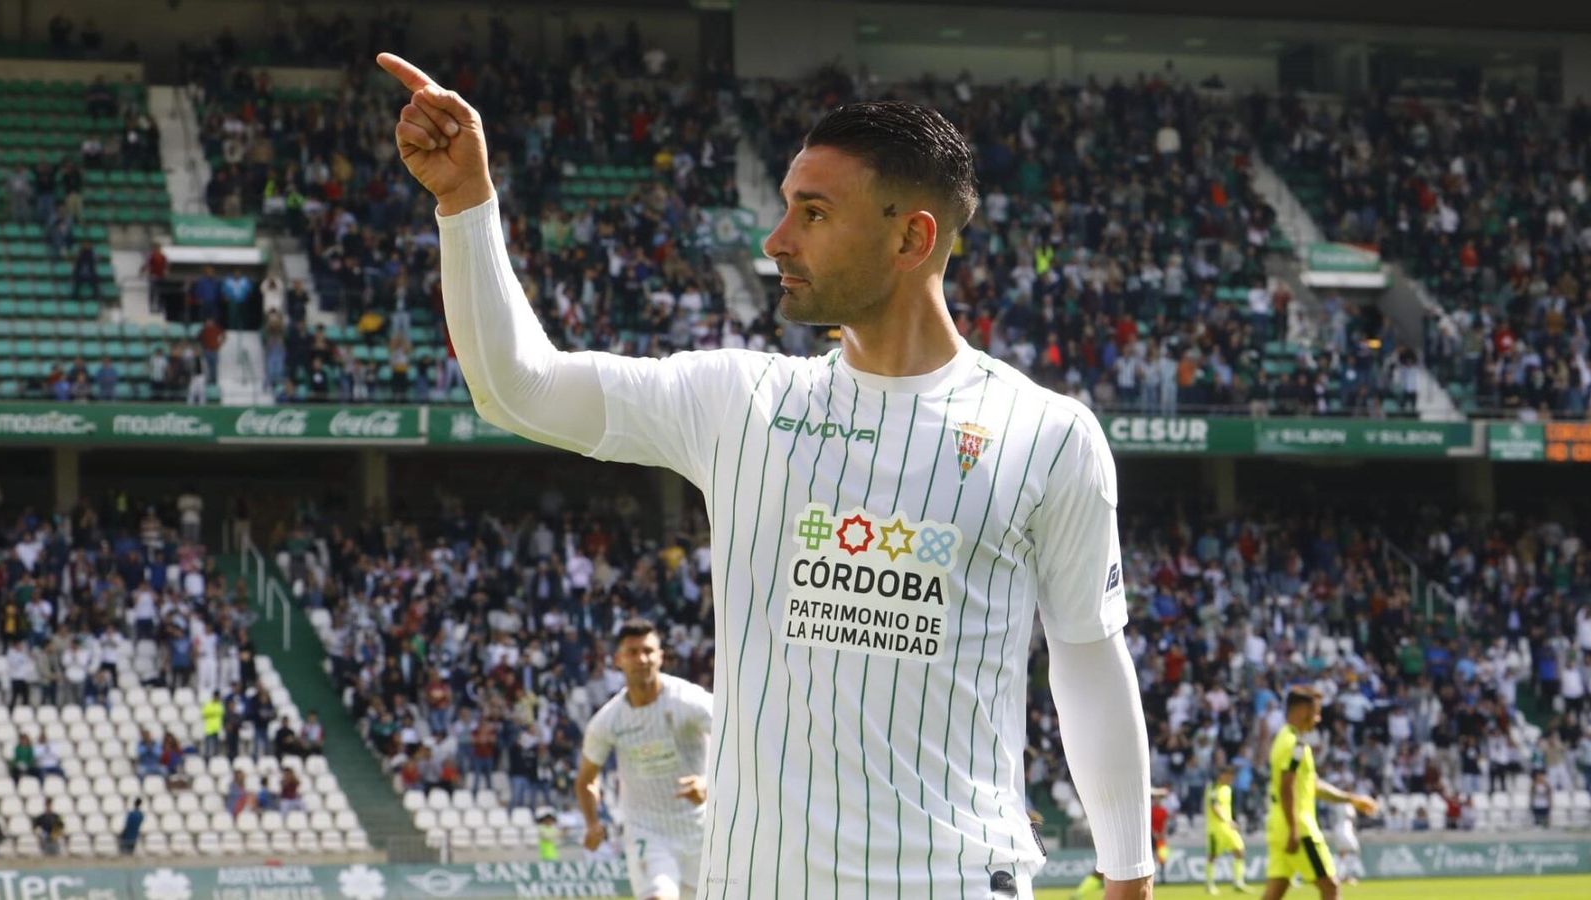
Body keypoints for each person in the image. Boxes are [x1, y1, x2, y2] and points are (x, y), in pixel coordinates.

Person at [380, 52, 1153, 898]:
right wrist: (464, 203)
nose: (775, 239)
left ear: (912, 236)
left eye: (813, 213)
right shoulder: (739, 399)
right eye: (786, 206)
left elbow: (1085, 657)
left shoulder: (1048, 434)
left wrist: (1129, 872)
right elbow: (517, 389)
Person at [575, 619, 713, 900]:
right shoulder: (607, 721)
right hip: (648, 833)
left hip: (703, 829)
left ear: (660, 656)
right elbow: (586, 778)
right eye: (632, 652)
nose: (641, 659)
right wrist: (592, 823)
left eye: (648, 651)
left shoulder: (690, 701)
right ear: (618, 660)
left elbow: (738, 740)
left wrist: (710, 784)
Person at [1263, 688, 1379, 900]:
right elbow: (1286, 786)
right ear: (1301, 710)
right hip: (1299, 826)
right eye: (1315, 712)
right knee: (1330, 888)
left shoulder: (1283, 738)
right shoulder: (1295, 744)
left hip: (1278, 825)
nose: (1318, 718)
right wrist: (1294, 828)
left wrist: (1352, 799)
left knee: (1275, 892)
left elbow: (1312, 786)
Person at [1205, 767, 1249, 894]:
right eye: (1230, 776)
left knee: (1240, 850)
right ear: (1222, 775)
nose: (1231, 779)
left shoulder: (1228, 789)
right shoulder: (1213, 787)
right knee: (1212, 856)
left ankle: (1238, 882)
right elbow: (1214, 806)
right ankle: (1209, 884)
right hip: (1215, 829)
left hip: (1229, 828)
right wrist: (1227, 820)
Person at [1331, 803, 1361, 886]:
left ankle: (1340, 876)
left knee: (1342, 853)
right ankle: (1347, 876)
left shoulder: (1337, 804)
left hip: (1338, 829)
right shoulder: (1346, 804)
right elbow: (1351, 815)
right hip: (1344, 830)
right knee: (1355, 850)